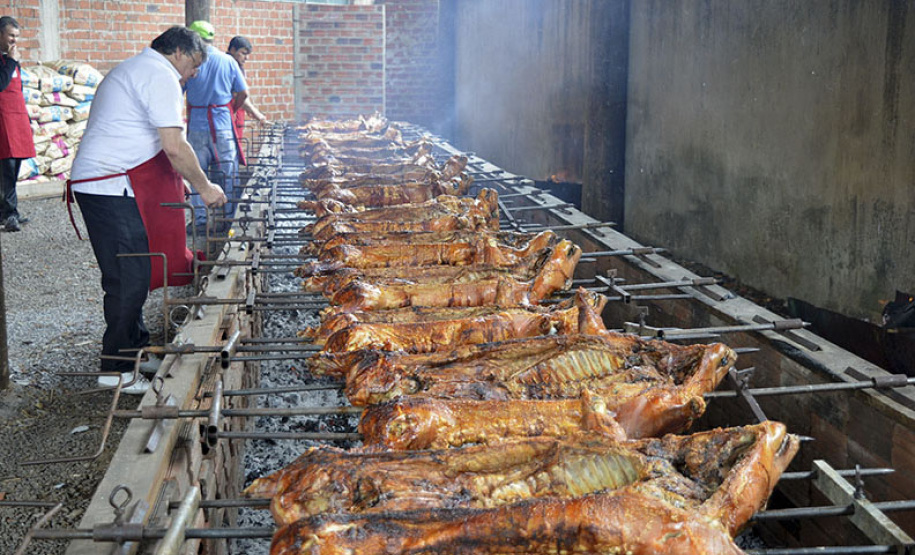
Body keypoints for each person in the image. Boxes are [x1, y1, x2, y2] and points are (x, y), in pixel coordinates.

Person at [69, 26, 227, 393]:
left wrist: (185, 179)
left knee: (135, 268)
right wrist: (205, 187)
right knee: (128, 276)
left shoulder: (141, 68)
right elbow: (174, 145)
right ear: (181, 54)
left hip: (109, 183)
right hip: (107, 185)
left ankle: (136, 350)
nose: (194, 75)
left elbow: (152, 142)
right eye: (196, 66)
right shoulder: (160, 75)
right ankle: (117, 371)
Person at [185, 20, 247, 234]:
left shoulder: (190, 61)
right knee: (229, 171)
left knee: (196, 172)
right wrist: (232, 108)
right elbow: (243, 92)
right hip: (221, 123)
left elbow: (179, 89)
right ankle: (230, 218)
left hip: (197, 125)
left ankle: (201, 220)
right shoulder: (227, 60)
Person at [0, 16, 36, 232]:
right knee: (7, 166)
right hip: (3, 118)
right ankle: (10, 214)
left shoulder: (12, 59)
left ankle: (8, 211)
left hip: (17, 116)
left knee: (16, 164)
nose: (15, 40)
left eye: (17, 36)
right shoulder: (7, 60)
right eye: (11, 35)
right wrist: (12, 61)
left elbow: (18, 90)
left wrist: (26, 118)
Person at [226, 35, 267, 167]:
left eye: (247, 54)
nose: (246, 58)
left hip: (236, 113)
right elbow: (241, 96)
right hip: (228, 113)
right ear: (232, 50)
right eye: (243, 53)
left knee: (235, 148)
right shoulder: (229, 65)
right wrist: (257, 115)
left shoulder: (238, 67)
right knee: (230, 150)